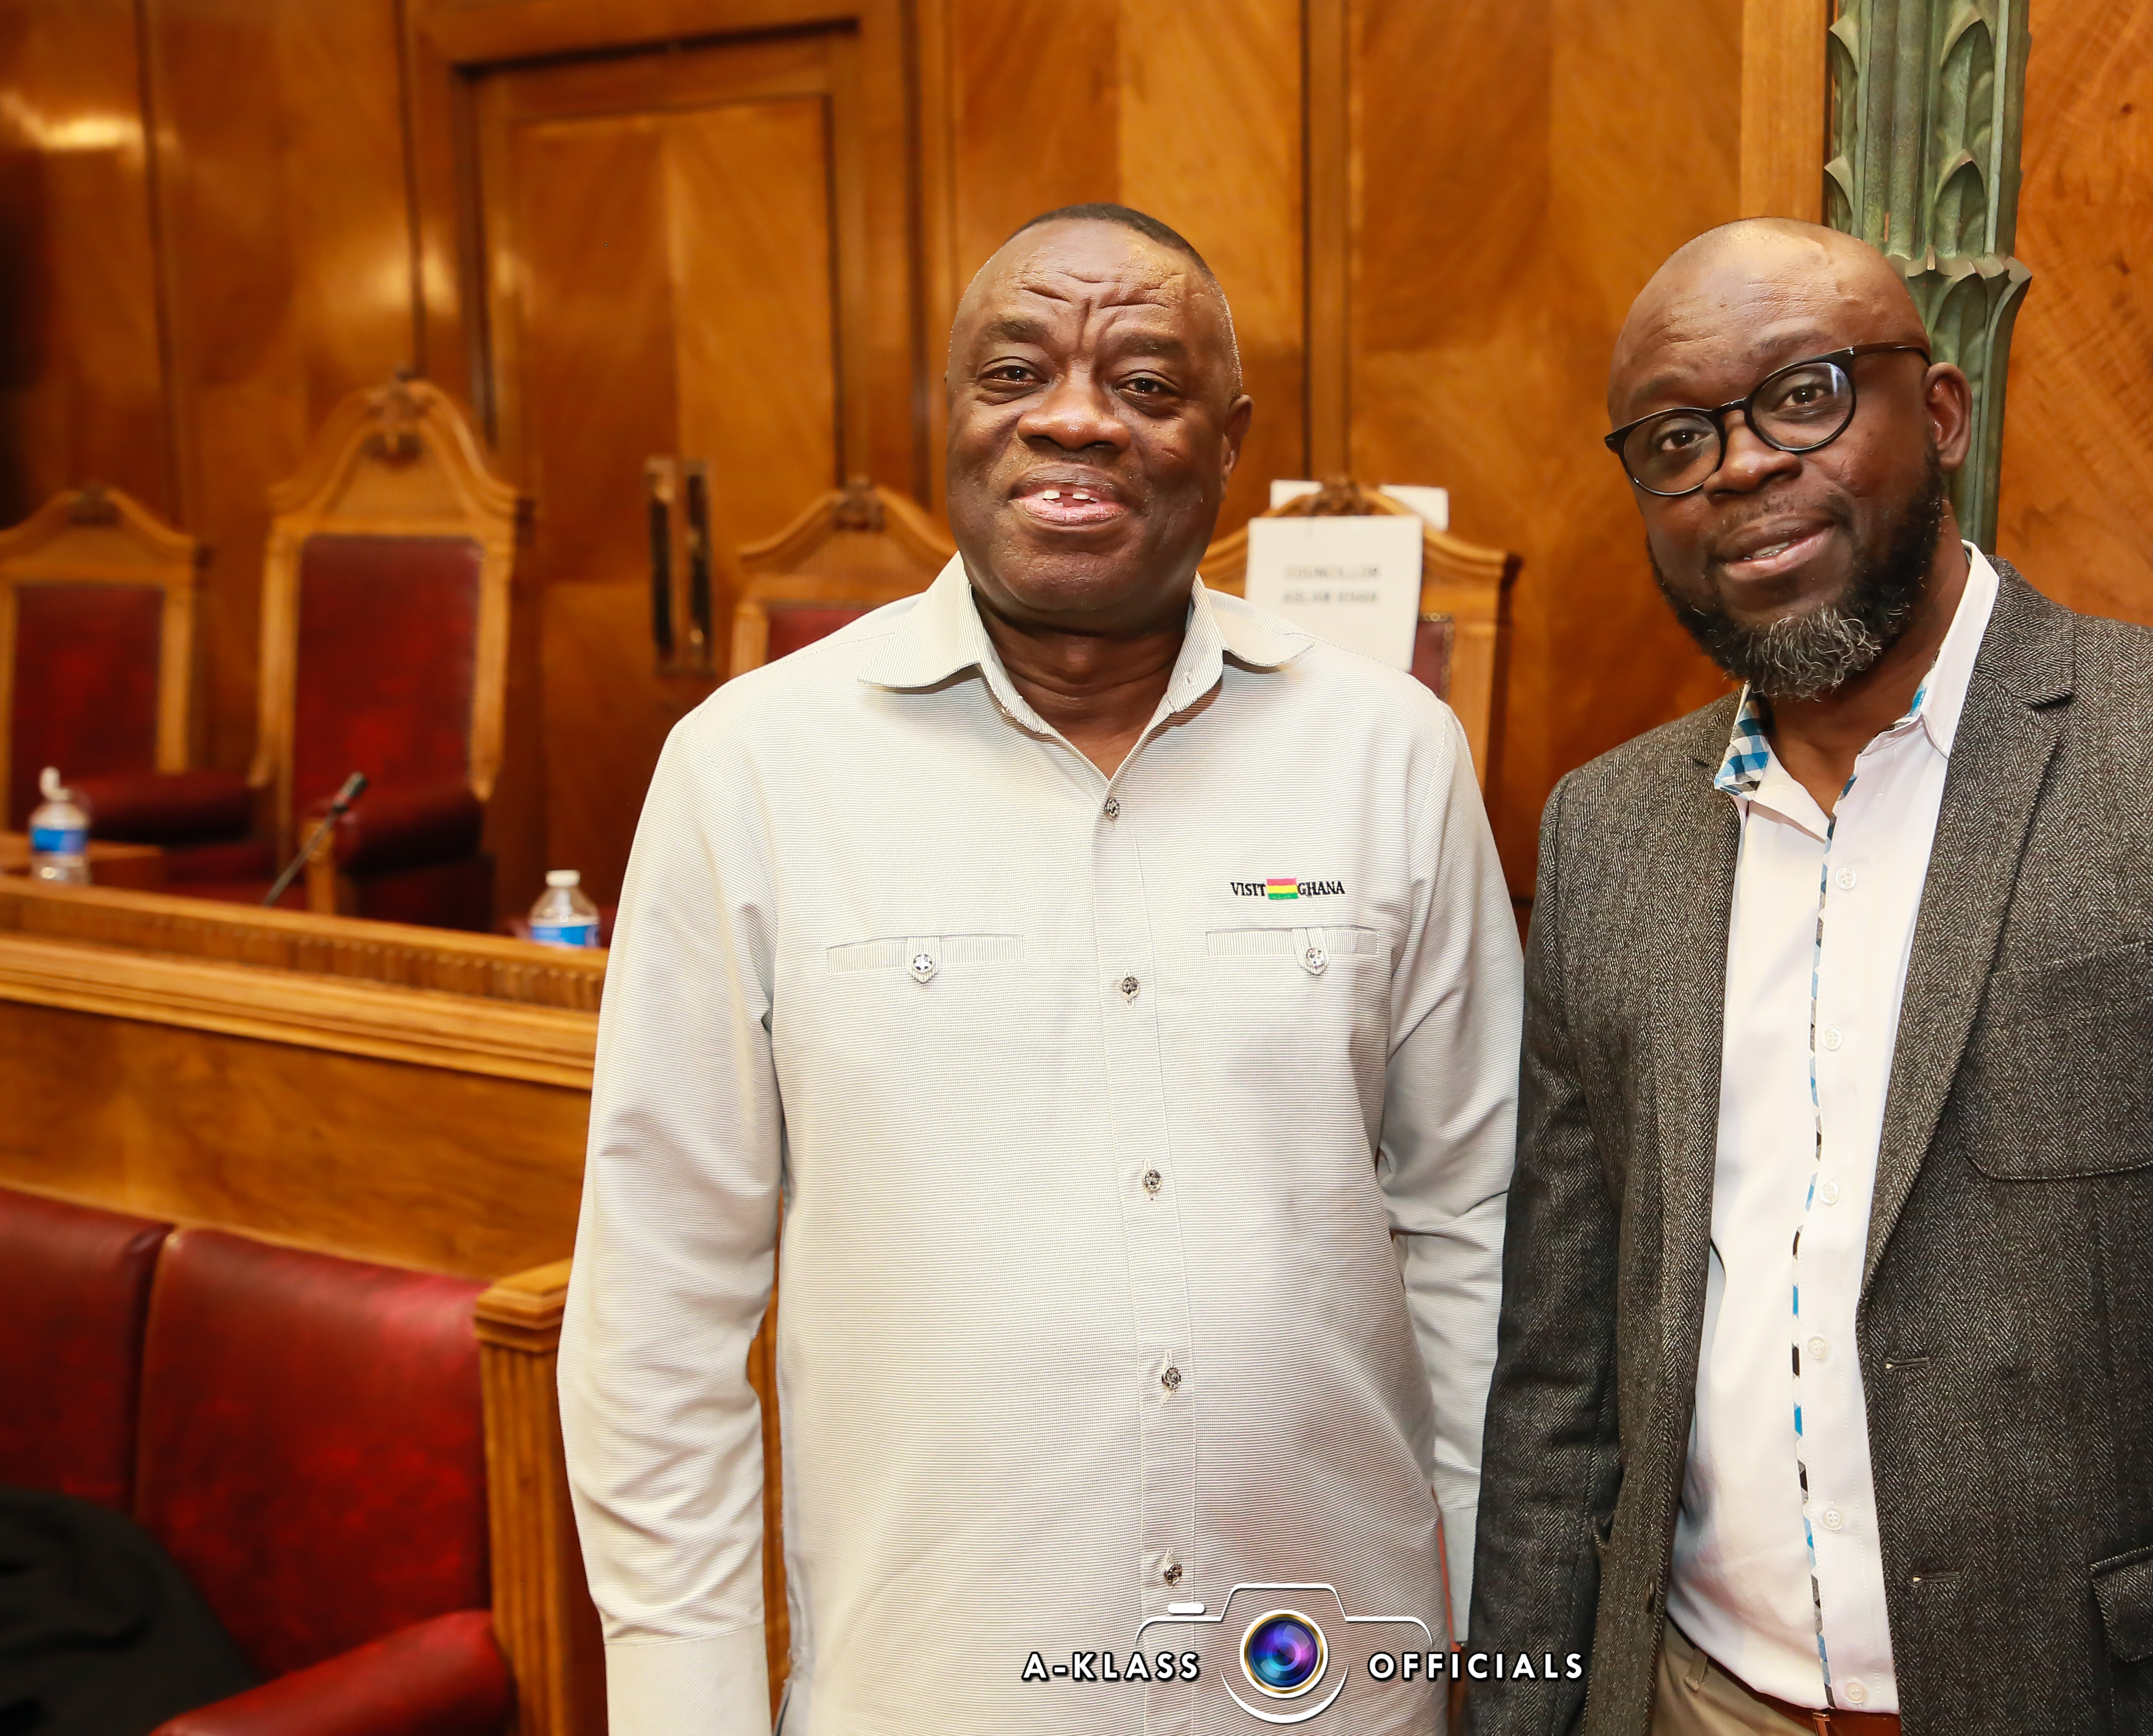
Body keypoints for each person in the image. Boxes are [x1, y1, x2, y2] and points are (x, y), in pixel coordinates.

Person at [1465, 218, 2153, 1736]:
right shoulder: (1607, 831)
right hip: (1684, 1694)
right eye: (1676, 438)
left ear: (1939, 414)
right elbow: (1560, 1370)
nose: (1740, 465)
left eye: (1803, 397)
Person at [561, 203, 1520, 1736]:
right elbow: (658, 1309)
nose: (1074, 419)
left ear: (1228, 442)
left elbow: (1472, 1226)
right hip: (932, 1689)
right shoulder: (751, 769)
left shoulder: (1388, 752)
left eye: (1145, 384)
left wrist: (1490, 1652)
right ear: (947, 417)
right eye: (1015, 373)